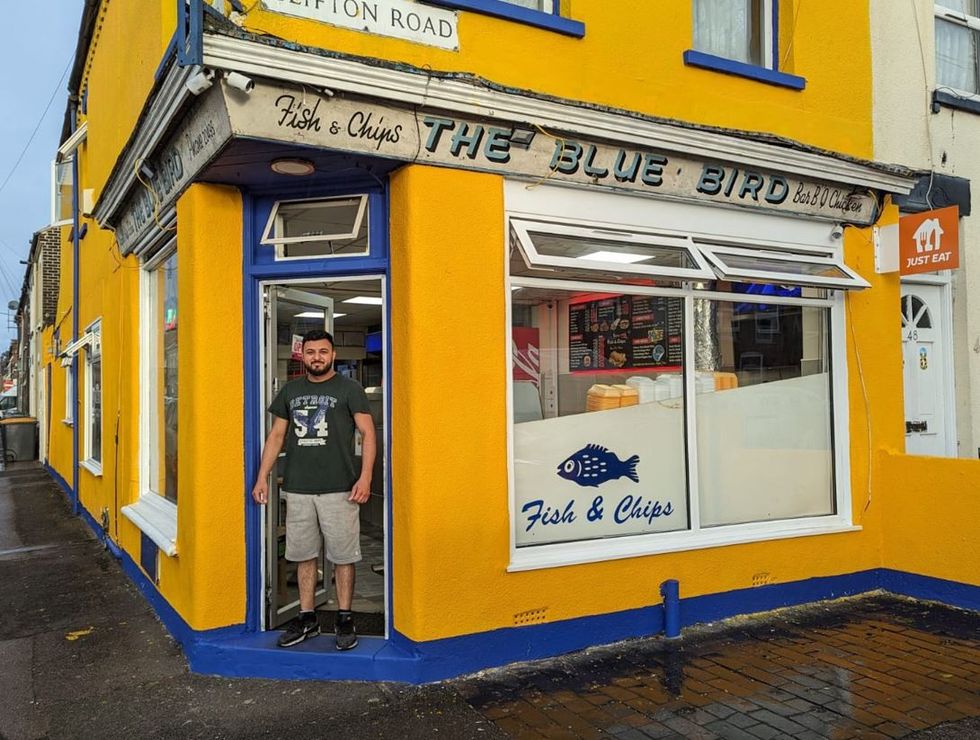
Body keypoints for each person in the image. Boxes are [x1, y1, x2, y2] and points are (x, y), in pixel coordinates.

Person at [252, 329, 377, 650]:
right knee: (303, 555)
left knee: (343, 557)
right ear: (302, 355)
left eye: (323, 351)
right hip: (298, 488)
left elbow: (368, 432)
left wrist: (366, 478)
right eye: (311, 352)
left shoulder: (350, 389)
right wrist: (261, 477)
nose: (317, 357)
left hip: (341, 489)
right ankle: (307, 616)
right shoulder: (290, 392)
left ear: (333, 355)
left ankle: (345, 617)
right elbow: (276, 437)